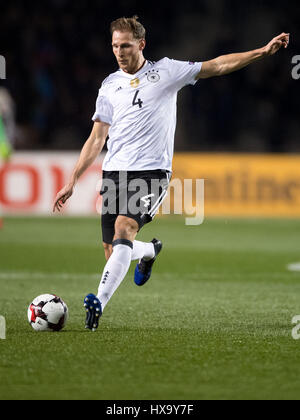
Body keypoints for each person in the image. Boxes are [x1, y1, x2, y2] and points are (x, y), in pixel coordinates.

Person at [53, 16, 289, 331]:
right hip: (113, 174)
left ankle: (98, 304)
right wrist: (73, 180)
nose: (119, 52)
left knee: (124, 230)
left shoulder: (166, 71)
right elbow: (97, 138)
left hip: (151, 172)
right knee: (112, 251)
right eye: (114, 46)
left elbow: (216, 65)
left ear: (141, 44)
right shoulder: (109, 85)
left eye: (125, 45)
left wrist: (261, 52)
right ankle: (150, 250)